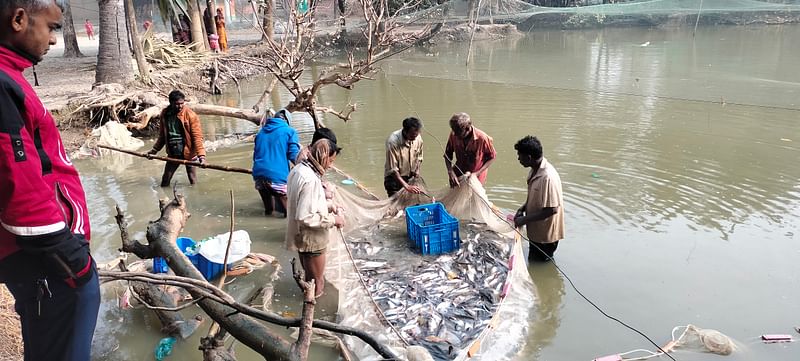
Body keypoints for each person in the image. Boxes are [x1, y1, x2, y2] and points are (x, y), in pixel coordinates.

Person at [0, 1, 100, 360]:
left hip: (42, 259)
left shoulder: (10, 78)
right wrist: (77, 264)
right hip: (47, 260)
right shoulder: (1, 84)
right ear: (19, 19)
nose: (54, 40)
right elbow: (18, 184)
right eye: (52, 27)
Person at [286, 139, 345, 298]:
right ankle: (313, 314)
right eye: (330, 160)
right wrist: (334, 220)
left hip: (301, 236)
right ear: (323, 157)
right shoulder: (311, 179)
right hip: (312, 239)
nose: (331, 165)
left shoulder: (298, 170)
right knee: (317, 282)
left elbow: (303, 204)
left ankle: (308, 307)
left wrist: (329, 206)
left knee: (309, 279)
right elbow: (305, 216)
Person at [512, 136, 564, 262]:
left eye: (520, 156)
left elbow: (551, 210)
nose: (518, 159)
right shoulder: (534, 170)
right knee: (533, 260)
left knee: (539, 263)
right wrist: (523, 208)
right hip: (536, 231)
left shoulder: (547, 177)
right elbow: (536, 197)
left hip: (545, 236)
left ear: (529, 157)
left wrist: (523, 219)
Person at [148, 90, 206, 187]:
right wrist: (154, 150)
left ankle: (196, 199)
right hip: (173, 151)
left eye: (182, 103)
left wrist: (202, 157)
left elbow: (197, 137)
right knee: (165, 179)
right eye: (177, 104)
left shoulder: (190, 115)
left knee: (192, 180)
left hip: (188, 151)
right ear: (170, 103)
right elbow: (162, 135)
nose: (180, 106)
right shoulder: (165, 114)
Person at [252, 109, 301, 217]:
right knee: (289, 215)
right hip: (277, 177)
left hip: (259, 175)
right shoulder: (290, 131)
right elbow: (293, 155)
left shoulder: (260, 133)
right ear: (287, 121)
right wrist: (305, 165)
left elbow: (255, 156)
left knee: (269, 211)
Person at [443, 112, 497, 187]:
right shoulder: (454, 134)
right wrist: (450, 172)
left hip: (476, 177)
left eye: (458, 132)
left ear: (467, 128)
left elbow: (492, 157)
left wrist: (476, 173)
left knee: (474, 197)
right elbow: (447, 154)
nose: (454, 134)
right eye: (453, 131)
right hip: (458, 174)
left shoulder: (482, 138)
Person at [384, 117, 424, 197]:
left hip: (410, 177)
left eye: (416, 135)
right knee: (396, 205)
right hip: (394, 179)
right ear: (405, 132)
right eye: (412, 136)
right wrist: (406, 186)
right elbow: (393, 169)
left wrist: (417, 170)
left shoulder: (417, 138)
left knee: (411, 203)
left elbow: (419, 157)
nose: (415, 138)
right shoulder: (393, 142)